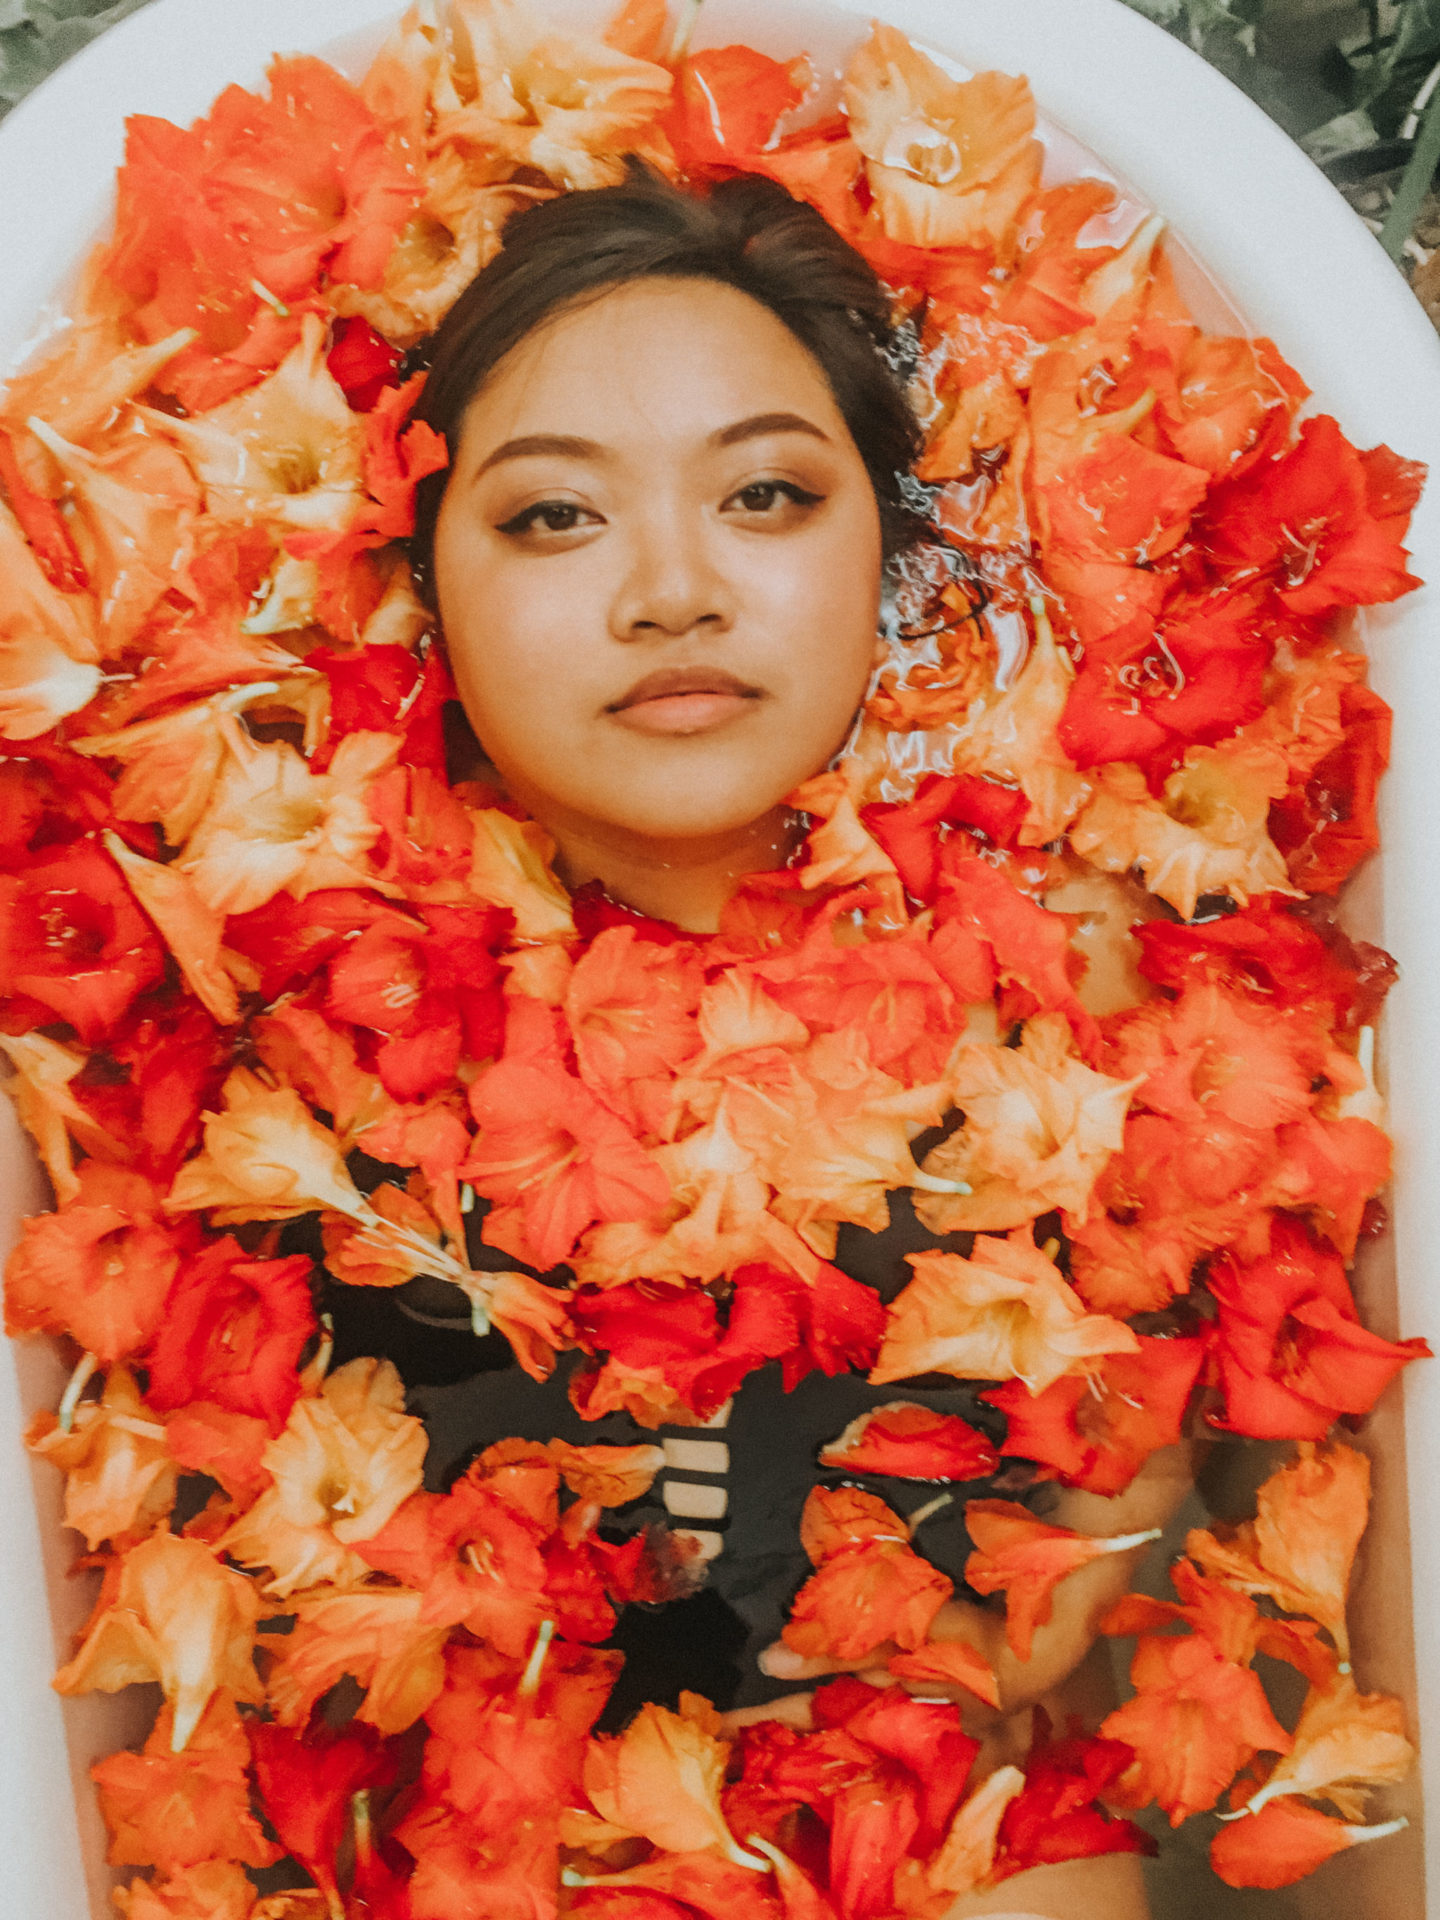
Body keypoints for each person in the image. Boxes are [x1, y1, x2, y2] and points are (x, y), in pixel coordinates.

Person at [326, 167, 1192, 1920]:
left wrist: (1059, 1600)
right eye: (555, 518)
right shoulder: (301, 1030)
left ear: (888, 547)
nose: (672, 592)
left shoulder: (1076, 971)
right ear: (421, 580)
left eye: (769, 494)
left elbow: (1169, 1414)